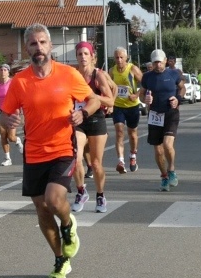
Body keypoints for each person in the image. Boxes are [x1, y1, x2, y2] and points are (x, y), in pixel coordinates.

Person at [0, 23, 100, 278]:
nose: (39, 48)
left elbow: (94, 100)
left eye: (43, 42)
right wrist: (7, 120)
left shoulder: (68, 74)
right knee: (42, 210)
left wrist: (83, 113)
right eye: (33, 43)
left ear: (50, 45)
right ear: (27, 48)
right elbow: (4, 114)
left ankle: (67, 224)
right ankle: (60, 259)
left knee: (54, 200)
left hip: (63, 149)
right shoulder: (20, 81)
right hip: (34, 153)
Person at [70, 41, 114, 213]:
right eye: (79, 54)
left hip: (96, 119)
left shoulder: (98, 75)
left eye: (86, 54)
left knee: (96, 163)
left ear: (92, 56)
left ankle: (100, 195)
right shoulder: (73, 75)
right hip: (78, 119)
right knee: (75, 157)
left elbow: (110, 100)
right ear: (76, 57)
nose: (83, 57)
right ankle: (81, 192)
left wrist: (93, 97)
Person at [139, 49, 185, 192]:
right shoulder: (147, 77)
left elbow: (182, 88)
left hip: (171, 113)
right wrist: (145, 99)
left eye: (160, 62)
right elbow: (141, 94)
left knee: (167, 144)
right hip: (154, 115)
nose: (158, 65)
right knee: (158, 150)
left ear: (165, 61)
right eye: (155, 62)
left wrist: (178, 99)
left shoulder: (174, 74)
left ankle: (171, 169)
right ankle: (164, 176)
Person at [110, 46, 143, 174]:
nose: (119, 60)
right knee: (119, 131)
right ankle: (121, 161)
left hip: (132, 106)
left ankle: (133, 155)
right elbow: (107, 86)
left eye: (121, 57)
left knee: (132, 134)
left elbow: (145, 83)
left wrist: (137, 95)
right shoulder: (112, 71)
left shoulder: (132, 69)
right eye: (116, 57)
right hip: (118, 106)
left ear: (126, 58)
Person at [0, 64, 23, 166]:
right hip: (1, 111)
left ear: (8, 72)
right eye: (1, 70)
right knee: (3, 135)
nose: (3, 72)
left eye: (5, 70)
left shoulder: (13, 82)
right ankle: (7, 158)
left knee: (11, 137)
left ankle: (17, 140)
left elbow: (20, 95)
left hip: (12, 111)